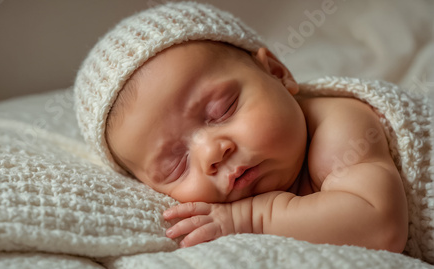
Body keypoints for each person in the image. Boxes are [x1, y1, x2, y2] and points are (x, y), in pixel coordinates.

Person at [74, 2, 408, 252]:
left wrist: (249, 219)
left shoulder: (338, 126)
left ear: (277, 73)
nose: (212, 152)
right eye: (176, 164)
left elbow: (380, 226)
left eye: (222, 110)